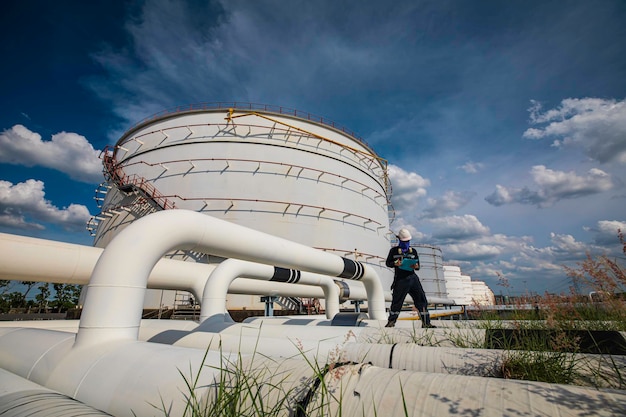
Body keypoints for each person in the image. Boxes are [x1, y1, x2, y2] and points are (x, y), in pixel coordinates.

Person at [385, 228, 435, 328]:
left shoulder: (413, 251)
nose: (406, 243)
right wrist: (396, 263)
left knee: (421, 300)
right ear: (399, 240)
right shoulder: (394, 251)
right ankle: (391, 322)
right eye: (404, 241)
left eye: (407, 241)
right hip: (400, 279)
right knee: (397, 301)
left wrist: (415, 266)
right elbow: (388, 263)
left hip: (412, 278)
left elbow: (418, 266)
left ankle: (426, 323)